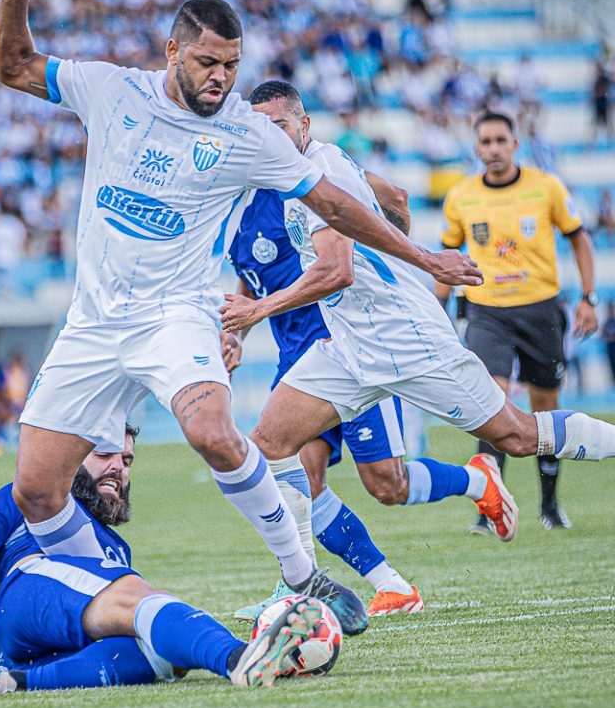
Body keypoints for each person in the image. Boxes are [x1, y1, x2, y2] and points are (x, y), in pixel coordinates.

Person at [0, 0, 478, 636]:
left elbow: (336, 204)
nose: (220, 76)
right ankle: (104, 589)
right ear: (172, 53)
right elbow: (12, 65)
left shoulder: (248, 133)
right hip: (92, 321)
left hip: (176, 314)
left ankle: (301, 572)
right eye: (207, 62)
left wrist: (424, 257)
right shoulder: (109, 90)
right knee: (35, 489)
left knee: (215, 432)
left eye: (231, 64)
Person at [219, 82, 615, 559]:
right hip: (348, 346)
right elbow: (398, 199)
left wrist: (257, 310)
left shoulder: (321, 171)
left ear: (304, 126)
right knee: (270, 442)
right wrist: (400, 260)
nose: (270, 139)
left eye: (278, 126)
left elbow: (336, 270)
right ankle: (302, 585)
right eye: (260, 130)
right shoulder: (301, 174)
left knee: (518, 435)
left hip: (408, 339)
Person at [223, 142, 516, 618]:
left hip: (357, 347)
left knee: (387, 485)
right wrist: (241, 331)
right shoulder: (230, 215)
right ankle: (358, 586)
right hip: (299, 362)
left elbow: (394, 197)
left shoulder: (305, 180)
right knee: (298, 479)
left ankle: (475, 480)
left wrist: (395, 273)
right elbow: (252, 278)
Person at [0, 408, 326, 695]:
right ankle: (240, 657)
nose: (118, 467)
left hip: (35, 651)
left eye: (126, 459)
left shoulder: (117, 549)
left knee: (163, 654)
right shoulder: (32, 498)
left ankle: (8, 683)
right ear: (72, 458)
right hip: (27, 594)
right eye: (103, 455)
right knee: (139, 599)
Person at [436, 111, 600, 532]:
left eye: (500, 140)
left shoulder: (546, 188)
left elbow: (580, 240)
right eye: (485, 141)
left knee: (544, 407)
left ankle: (549, 505)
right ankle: (488, 510)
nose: (492, 148)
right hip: (487, 312)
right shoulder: (461, 197)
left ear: (514, 144)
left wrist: (588, 298)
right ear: (476, 147)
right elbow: (445, 262)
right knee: (493, 401)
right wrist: (436, 314)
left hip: (540, 310)